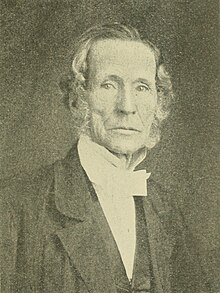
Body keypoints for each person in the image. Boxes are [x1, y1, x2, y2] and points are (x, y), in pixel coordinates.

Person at [1, 23, 210, 293]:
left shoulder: (166, 212)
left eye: (142, 87)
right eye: (109, 85)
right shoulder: (15, 206)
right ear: (79, 98)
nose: (127, 106)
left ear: (159, 102)